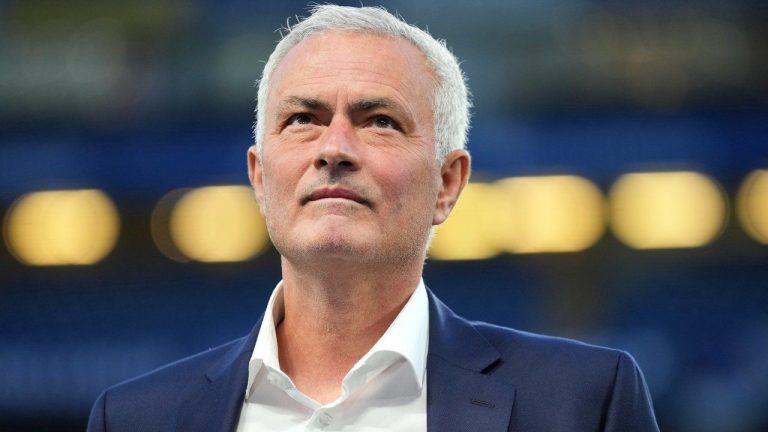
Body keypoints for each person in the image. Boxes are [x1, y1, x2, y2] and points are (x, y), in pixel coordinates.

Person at [87, 5, 659, 431]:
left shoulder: (584, 402)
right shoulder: (134, 418)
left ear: (447, 183)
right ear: (260, 178)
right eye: (303, 118)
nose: (334, 148)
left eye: (380, 120)